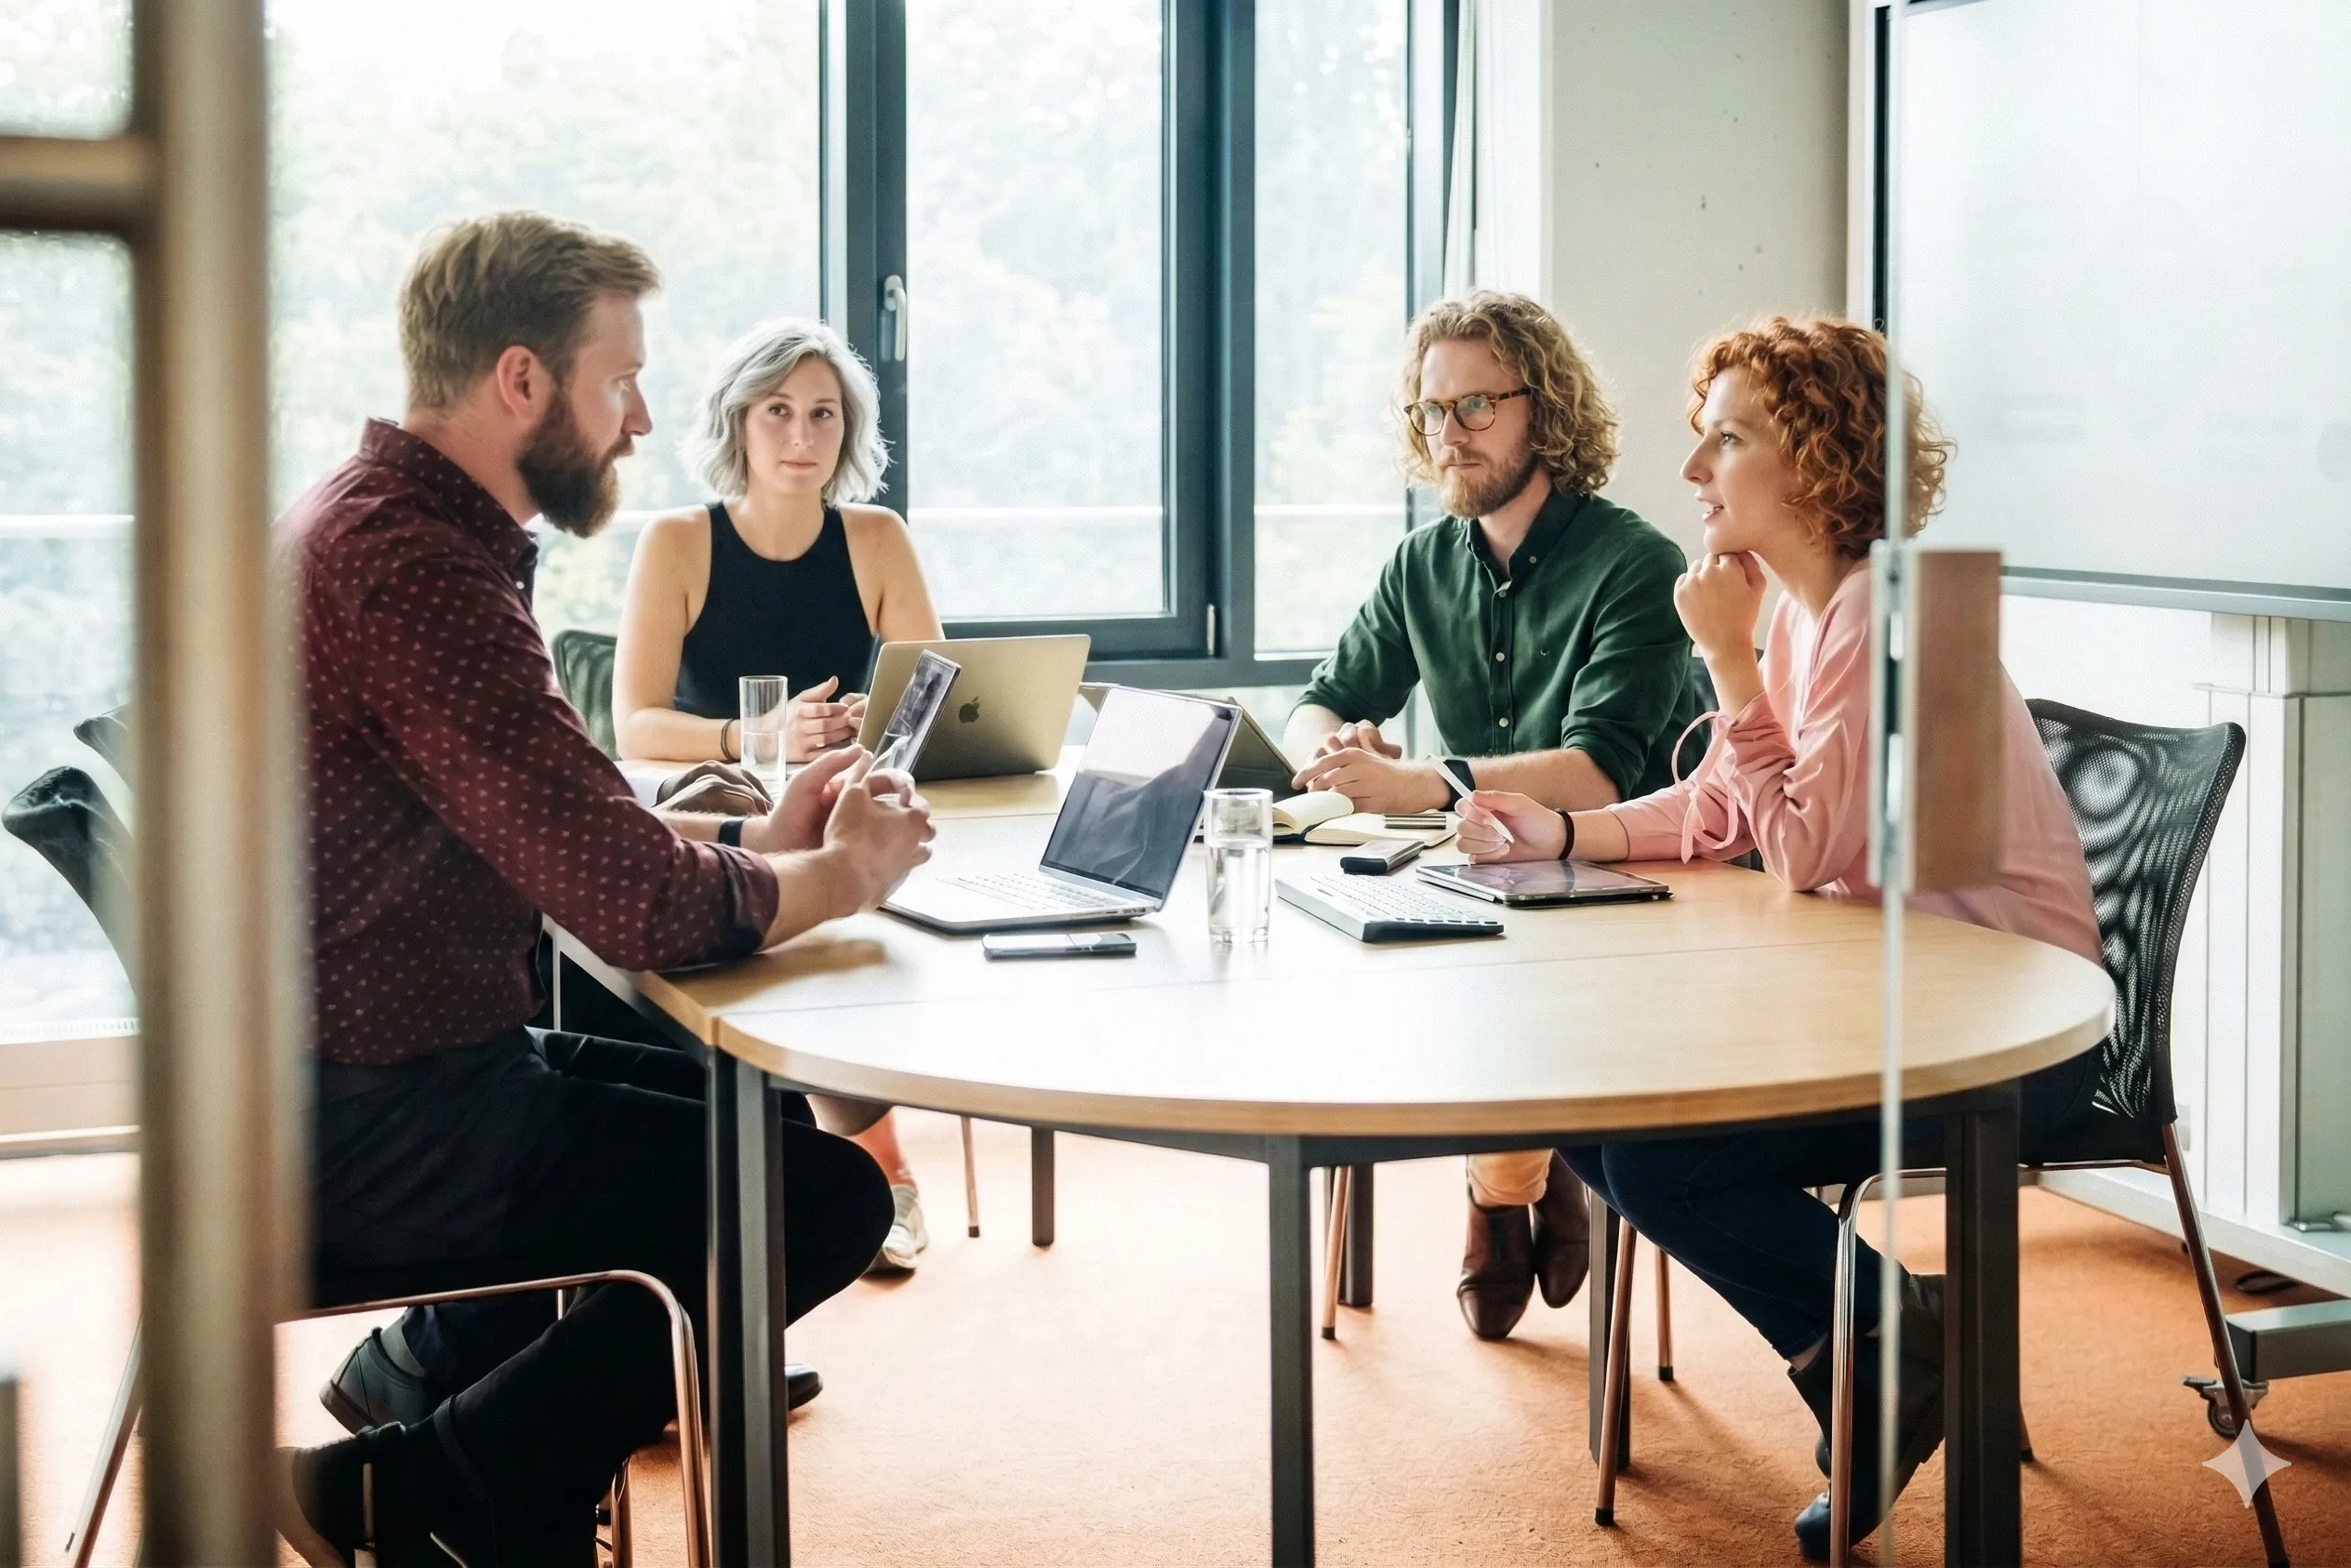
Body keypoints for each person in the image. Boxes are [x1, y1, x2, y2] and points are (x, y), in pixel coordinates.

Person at [275, 212, 936, 1566]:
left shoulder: (382, 523)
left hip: (347, 1065)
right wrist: (837, 873)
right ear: (522, 380)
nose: (639, 419)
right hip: (372, 1117)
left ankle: (434, 1375)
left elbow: (575, 828)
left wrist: (764, 855)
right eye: (618, 378)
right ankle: (419, 1489)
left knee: (736, 1102)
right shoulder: (417, 566)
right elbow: (634, 905)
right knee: (817, 1199)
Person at [1454, 315, 2103, 1561]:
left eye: (1727, 440)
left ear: (1815, 459)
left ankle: (1880, 1350)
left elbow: (1799, 847)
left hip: (2008, 1039)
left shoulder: (1896, 612)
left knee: (1659, 1160)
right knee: (1591, 1108)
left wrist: (1729, 668)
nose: (1694, 472)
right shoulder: (1800, 613)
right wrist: (1565, 832)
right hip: (1890, 1004)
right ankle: (1872, 1352)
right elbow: (1719, 809)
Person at [1282, 290, 1700, 1341]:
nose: (1448, 434)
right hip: (1487, 873)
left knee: (1501, 980)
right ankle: (1539, 1157)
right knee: (1378, 948)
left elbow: (1601, 772)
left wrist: (1428, 781)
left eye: (1475, 405)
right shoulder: (1422, 562)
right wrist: (1330, 754)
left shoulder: (1637, 564)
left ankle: (1498, 1185)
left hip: (1645, 888)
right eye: (1430, 411)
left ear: (1544, 410)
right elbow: (1322, 697)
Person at [613, 316, 946, 1273]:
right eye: (777, 412)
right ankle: (873, 1155)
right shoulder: (678, 541)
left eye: (823, 415)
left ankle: (851, 1151)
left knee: (879, 909)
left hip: (845, 797)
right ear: (736, 424)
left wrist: (857, 741)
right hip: (725, 811)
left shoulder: (877, 538)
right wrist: (756, 736)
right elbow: (633, 720)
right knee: (816, 923)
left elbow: (925, 695)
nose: (801, 438)